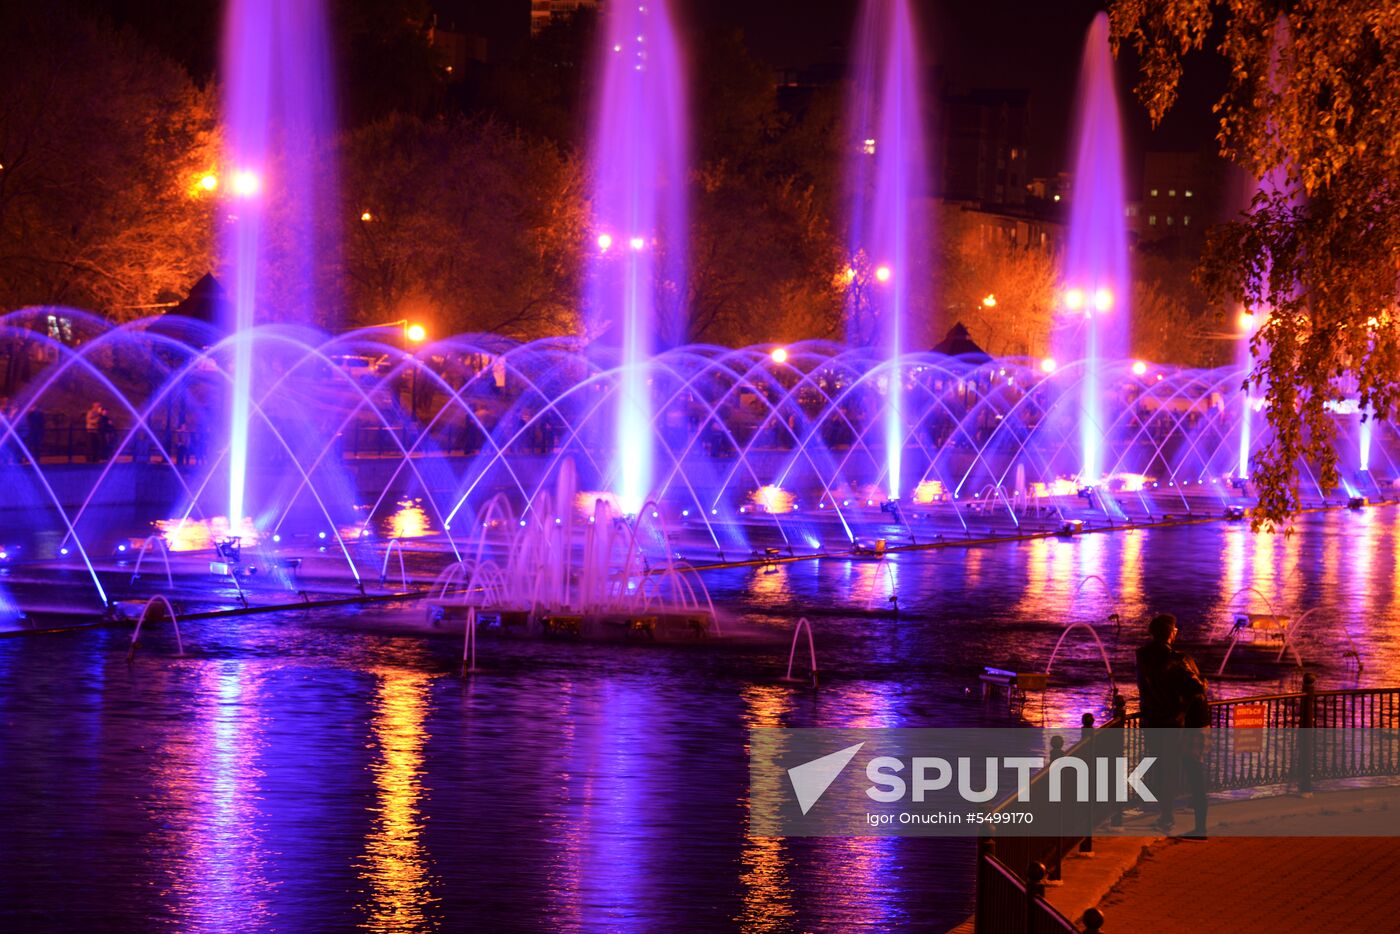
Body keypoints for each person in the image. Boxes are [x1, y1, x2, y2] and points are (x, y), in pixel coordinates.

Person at [1136, 613, 1210, 838]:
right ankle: (1193, 826)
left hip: (1151, 722)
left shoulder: (1142, 656)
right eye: (1175, 629)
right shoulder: (1177, 660)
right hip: (1174, 724)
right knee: (1181, 772)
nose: (1177, 632)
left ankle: (1165, 816)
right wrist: (1203, 683)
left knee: (1160, 771)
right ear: (1169, 633)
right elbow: (1197, 687)